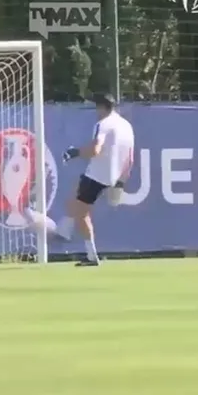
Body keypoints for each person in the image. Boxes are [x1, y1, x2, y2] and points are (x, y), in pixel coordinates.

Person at [49, 93, 134, 266]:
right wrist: (121, 182)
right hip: (115, 176)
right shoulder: (126, 126)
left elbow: (95, 149)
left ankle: (91, 255)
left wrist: (75, 152)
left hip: (98, 174)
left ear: (103, 107)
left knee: (81, 213)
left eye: (97, 107)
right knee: (75, 195)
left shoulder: (103, 124)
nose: (96, 111)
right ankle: (64, 229)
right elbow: (130, 158)